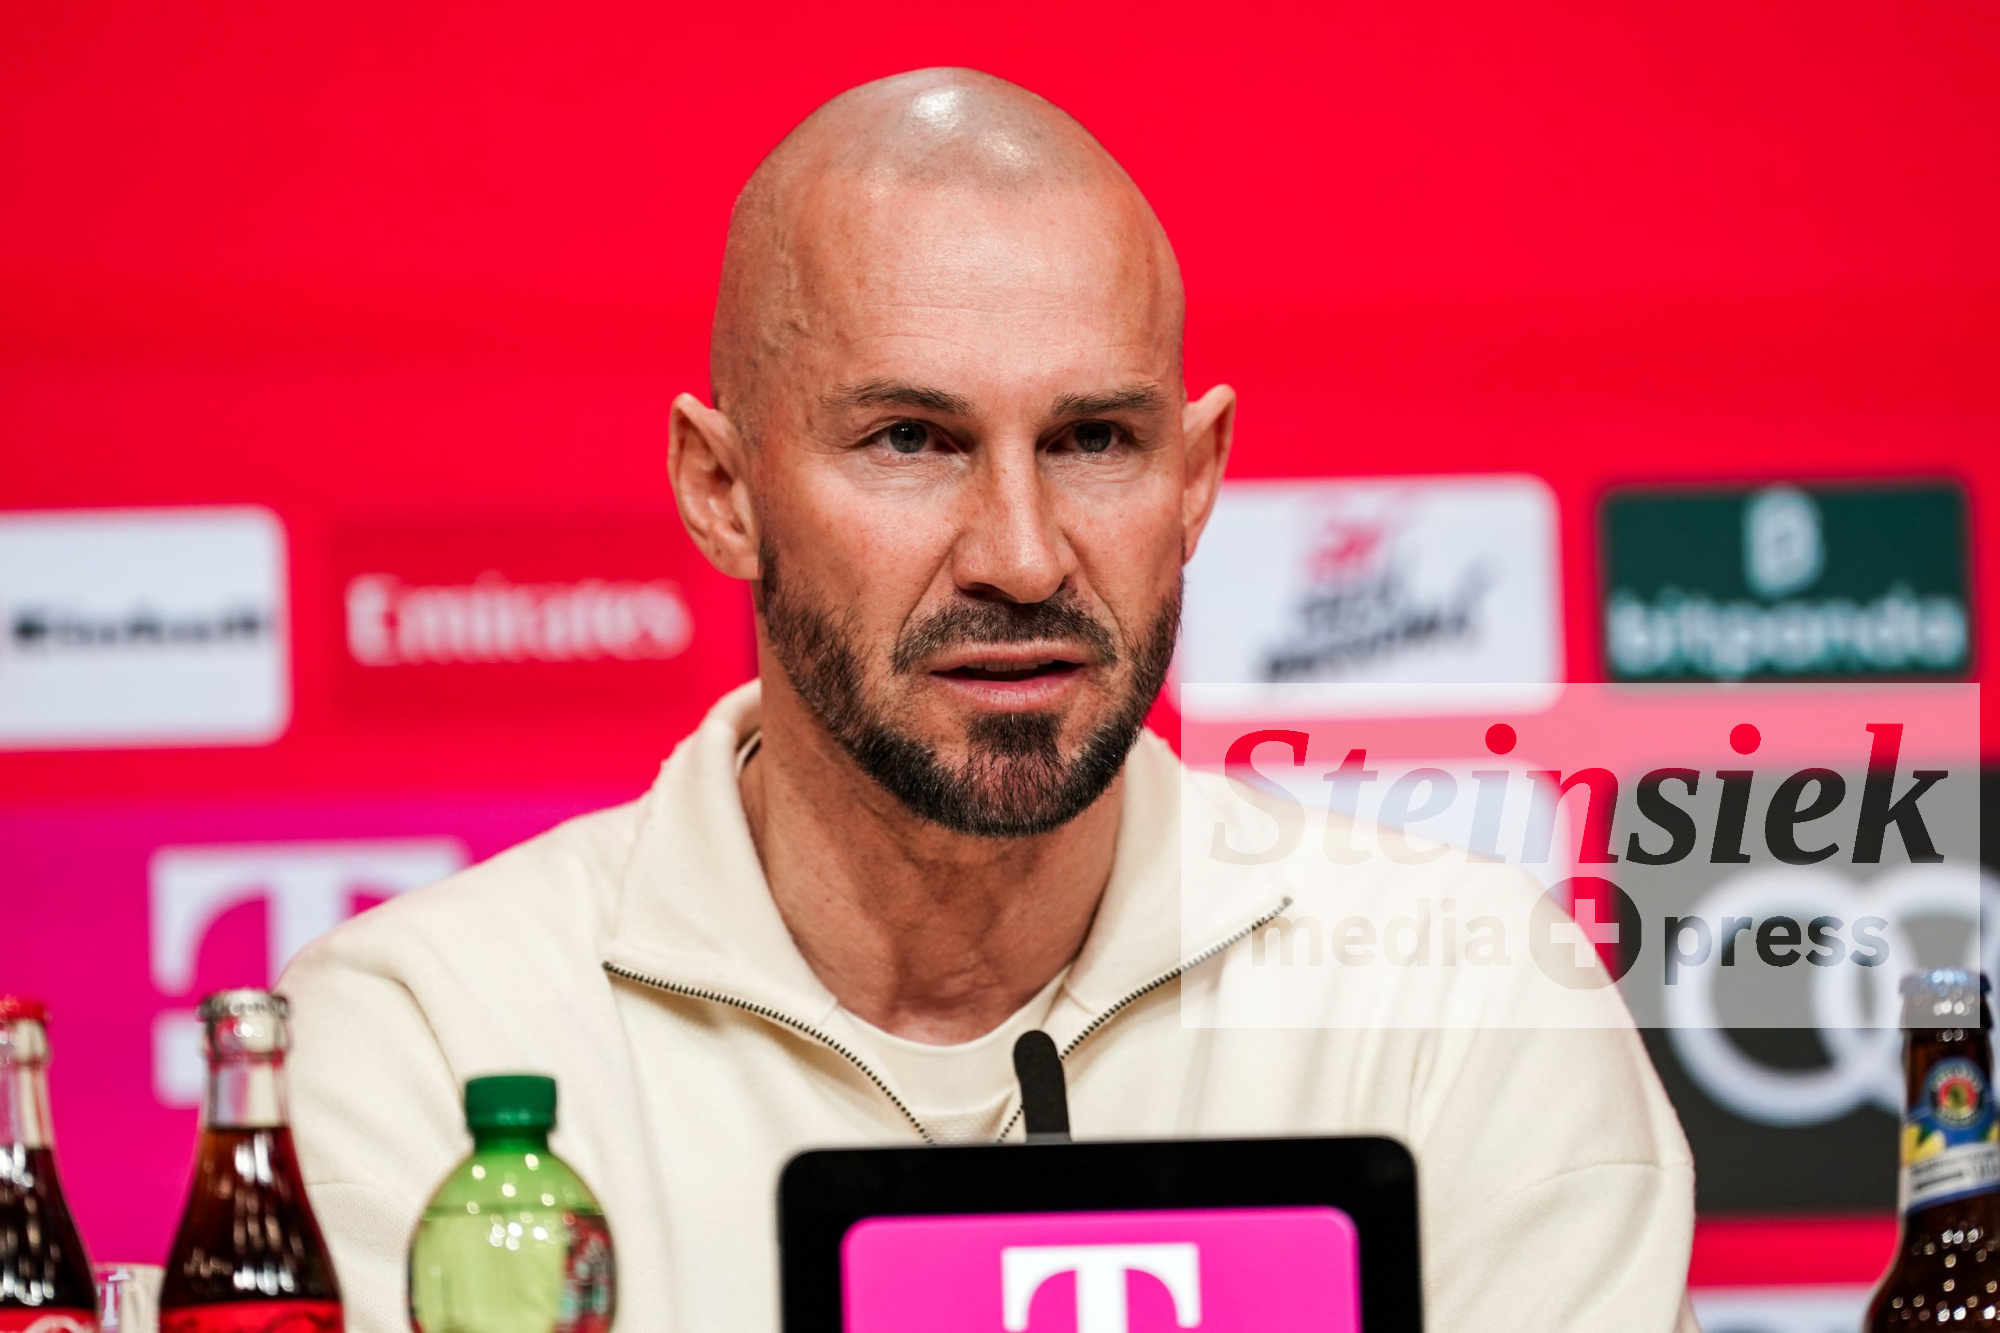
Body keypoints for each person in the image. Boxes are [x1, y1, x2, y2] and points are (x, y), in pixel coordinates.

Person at [282, 67, 1698, 1331]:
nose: (1021, 556)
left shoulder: (1463, 998)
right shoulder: (433, 1032)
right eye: (911, 439)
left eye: (1094, 440)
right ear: (723, 490)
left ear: (1193, 479)